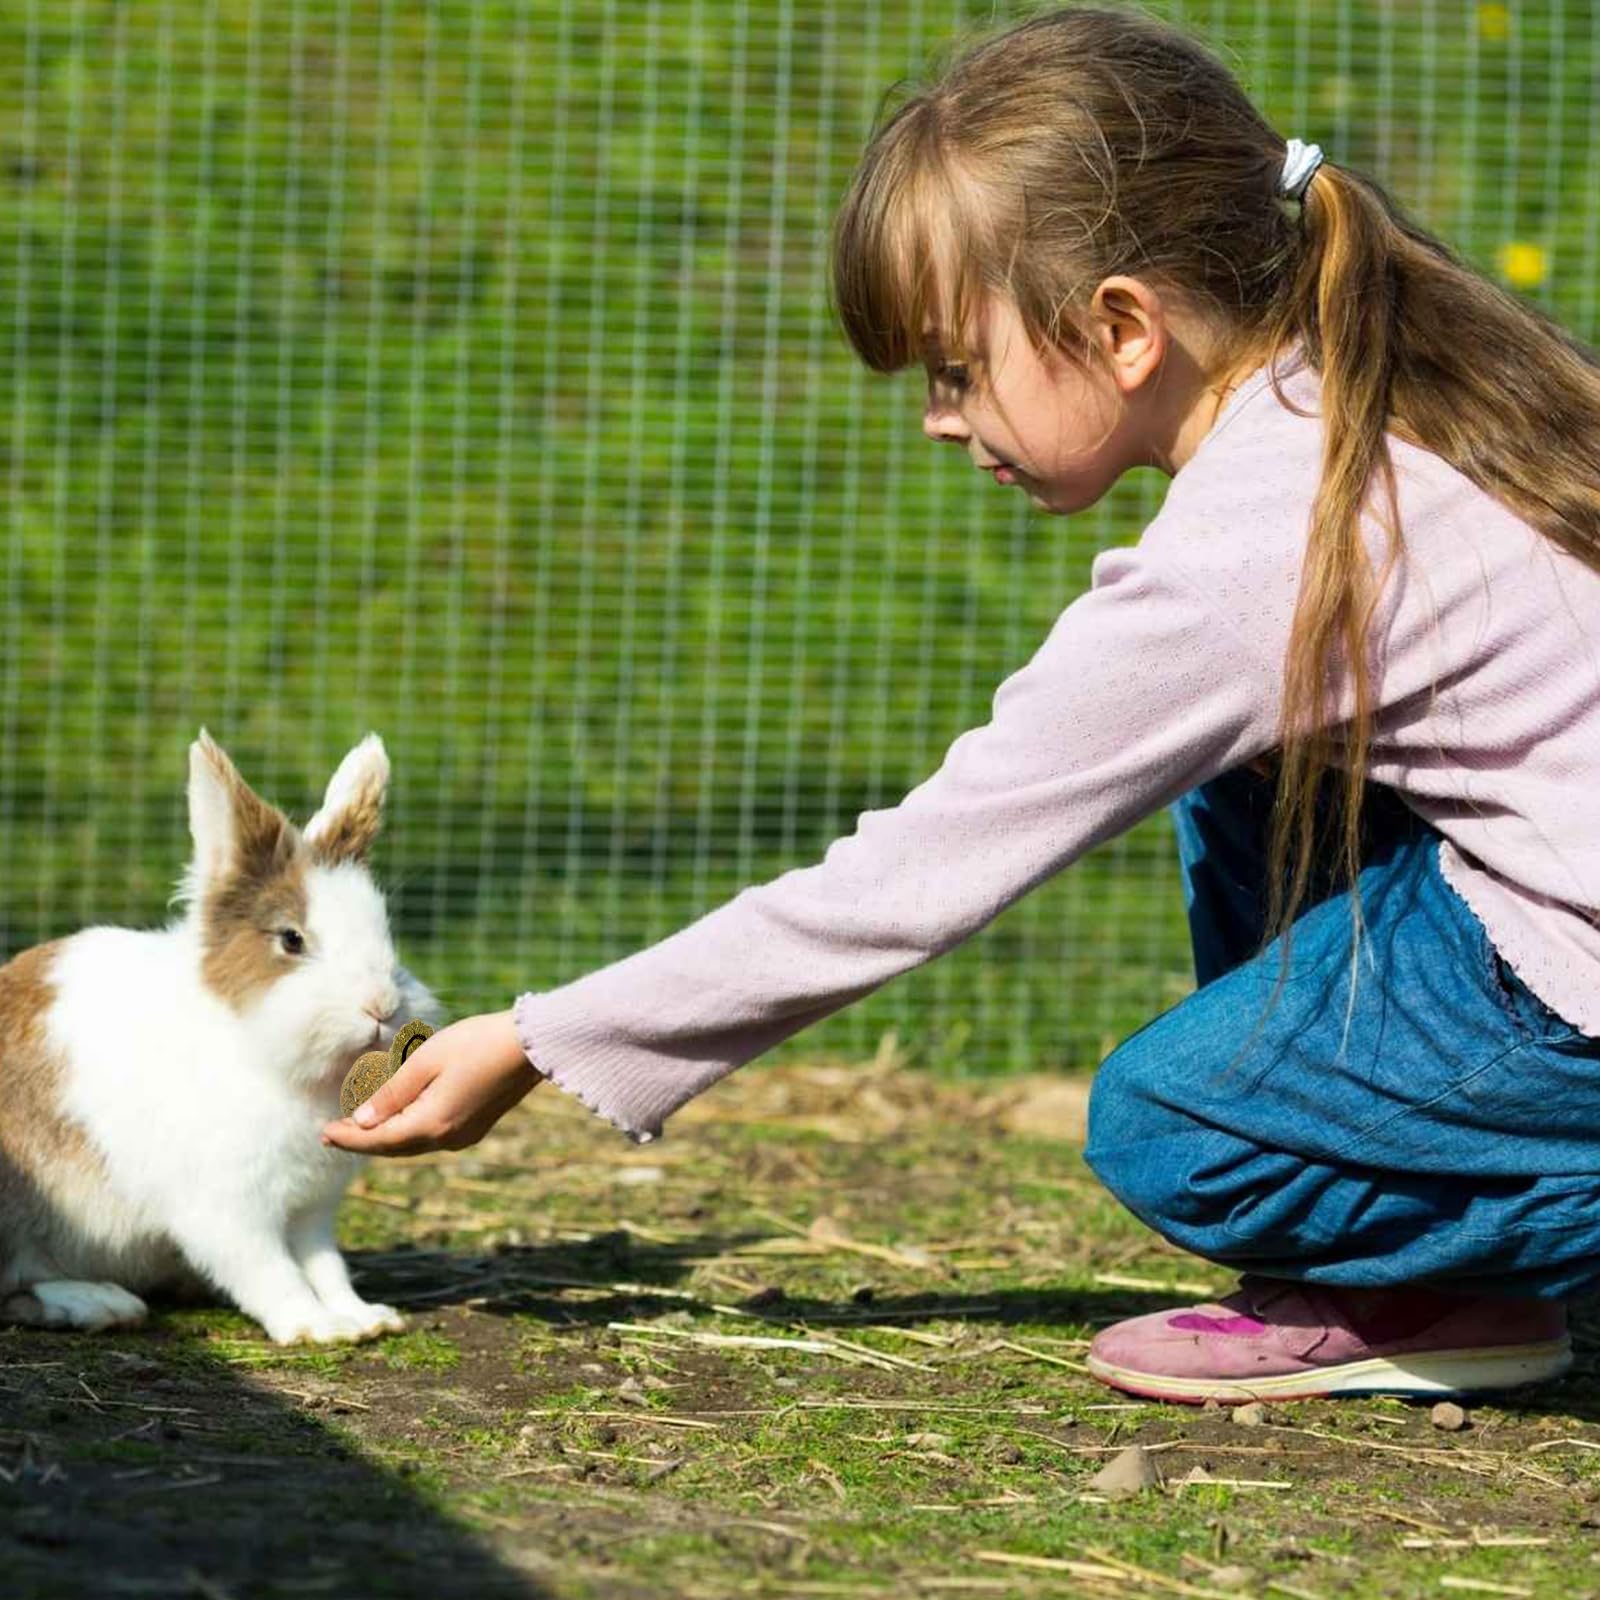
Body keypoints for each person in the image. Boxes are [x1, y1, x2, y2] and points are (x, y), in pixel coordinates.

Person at [324, 5, 1600, 1404]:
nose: (940, 417)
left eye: (956, 368)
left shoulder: (1249, 552)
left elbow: (913, 878)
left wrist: (540, 1036)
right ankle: (1438, 1290)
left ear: (1120, 328)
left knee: (1180, 1133)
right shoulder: (1369, 387)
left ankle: (1440, 1269)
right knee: (1246, 775)